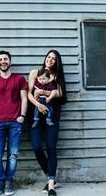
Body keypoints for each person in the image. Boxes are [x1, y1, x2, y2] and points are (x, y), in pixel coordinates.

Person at [0, 50, 28, 196]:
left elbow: (24, 99)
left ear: (10, 61)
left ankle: (9, 181)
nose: (3, 61)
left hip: (15, 122)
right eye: (0, 59)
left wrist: (22, 115)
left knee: (13, 154)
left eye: (5, 59)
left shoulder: (20, 79)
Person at [28, 50, 67, 196]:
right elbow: (29, 93)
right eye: (49, 57)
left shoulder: (57, 76)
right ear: (45, 58)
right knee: (37, 147)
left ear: (57, 62)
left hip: (52, 117)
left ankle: (51, 184)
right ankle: (50, 174)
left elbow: (61, 94)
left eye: (54, 58)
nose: (50, 60)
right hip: (36, 117)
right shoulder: (35, 73)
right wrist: (38, 105)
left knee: (51, 148)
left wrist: (44, 93)